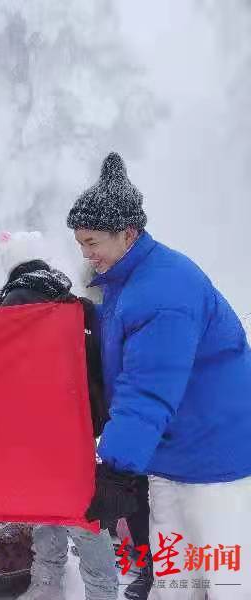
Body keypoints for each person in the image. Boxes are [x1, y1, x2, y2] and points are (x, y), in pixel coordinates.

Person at [68, 152, 251, 599]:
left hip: (213, 463)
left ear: (128, 234)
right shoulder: (128, 283)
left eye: (92, 243)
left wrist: (115, 467)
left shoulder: (163, 290)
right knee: (176, 582)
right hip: (170, 459)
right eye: (80, 245)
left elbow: (146, 390)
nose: (87, 255)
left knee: (225, 579)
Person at [0, 231, 117, 600]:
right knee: (82, 513)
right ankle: (101, 590)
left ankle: (49, 582)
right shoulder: (78, 305)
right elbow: (98, 365)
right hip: (76, 425)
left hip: (33, 427)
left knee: (48, 504)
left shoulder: (12, 304)